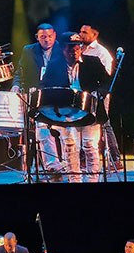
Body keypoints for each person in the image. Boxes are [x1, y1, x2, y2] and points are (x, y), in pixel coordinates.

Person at [43, 31, 111, 183]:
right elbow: (45, 86)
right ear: (62, 49)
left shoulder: (93, 62)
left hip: (89, 110)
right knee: (69, 145)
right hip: (66, 111)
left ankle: (93, 180)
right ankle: (74, 180)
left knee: (90, 145)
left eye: (77, 48)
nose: (74, 51)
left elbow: (107, 81)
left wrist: (99, 93)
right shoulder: (54, 66)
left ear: (81, 48)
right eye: (69, 48)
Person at [10, 23, 65, 178]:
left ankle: (69, 164)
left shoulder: (62, 49)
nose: (47, 40)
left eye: (49, 36)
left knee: (65, 130)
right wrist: (16, 86)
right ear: (37, 38)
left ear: (54, 35)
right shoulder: (29, 50)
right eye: (43, 37)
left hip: (59, 95)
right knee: (42, 130)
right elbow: (19, 72)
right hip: (39, 97)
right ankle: (53, 167)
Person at [78, 24, 123, 170]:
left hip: (99, 94)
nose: (81, 34)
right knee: (82, 122)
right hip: (82, 93)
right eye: (80, 31)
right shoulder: (78, 48)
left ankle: (115, 159)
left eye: (84, 32)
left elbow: (108, 76)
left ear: (94, 34)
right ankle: (83, 159)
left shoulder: (101, 52)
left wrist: (99, 93)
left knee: (104, 123)